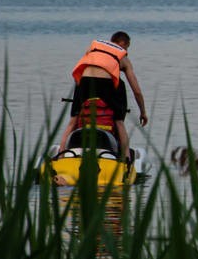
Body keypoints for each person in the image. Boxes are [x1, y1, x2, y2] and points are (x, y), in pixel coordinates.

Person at [58, 31, 148, 161]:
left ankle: (61, 155)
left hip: (84, 80)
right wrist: (143, 112)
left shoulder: (94, 47)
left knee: (73, 120)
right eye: (127, 48)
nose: (126, 51)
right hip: (107, 82)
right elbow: (137, 91)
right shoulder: (123, 58)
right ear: (123, 44)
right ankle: (126, 159)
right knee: (119, 122)